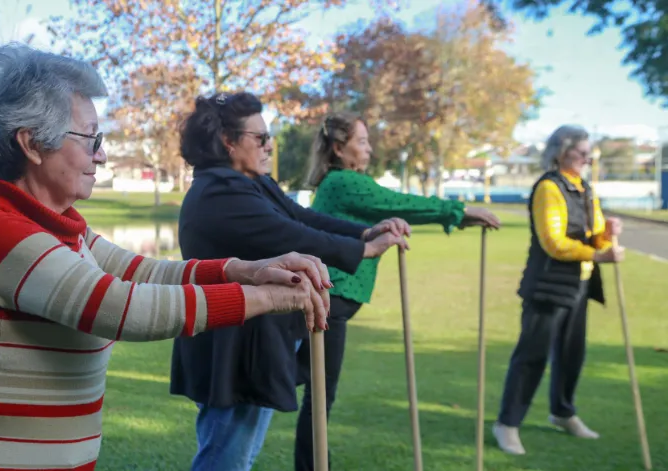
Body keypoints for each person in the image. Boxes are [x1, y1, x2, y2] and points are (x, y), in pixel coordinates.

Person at [0, 44, 333, 471]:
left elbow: (141, 272)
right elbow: (123, 307)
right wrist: (267, 299)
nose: (101, 154)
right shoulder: (2, 234)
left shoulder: (59, 228)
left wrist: (243, 271)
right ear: (31, 144)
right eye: (91, 138)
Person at [168, 92, 411, 471]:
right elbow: (290, 235)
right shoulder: (221, 192)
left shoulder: (250, 182)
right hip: (231, 348)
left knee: (239, 455)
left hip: (253, 340)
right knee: (226, 458)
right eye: (260, 138)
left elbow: (301, 217)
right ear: (228, 142)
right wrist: (361, 251)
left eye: (270, 137)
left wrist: (364, 233)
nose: (270, 146)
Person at [295, 111, 502, 470]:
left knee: (315, 391)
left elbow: (392, 207)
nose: (370, 149)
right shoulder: (343, 182)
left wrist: (457, 216)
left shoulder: (341, 183)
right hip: (331, 299)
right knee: (313, 392)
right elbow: (398, 204)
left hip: (335, 300)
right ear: (339, 149)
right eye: (362, 142)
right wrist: (459, 210)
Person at [492, 124, 625, 455]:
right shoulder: (548, 188)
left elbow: (591, 236)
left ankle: (562, 412)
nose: (585, 158)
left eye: (587, 152)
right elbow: (553, 243)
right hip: (547, 285)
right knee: (532, 356)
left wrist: (606, 234)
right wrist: (598, 253)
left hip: (579, 283)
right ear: (560, 153)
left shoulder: (584, 188)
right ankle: (507, 424)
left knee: (571, 354)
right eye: (579, 152)